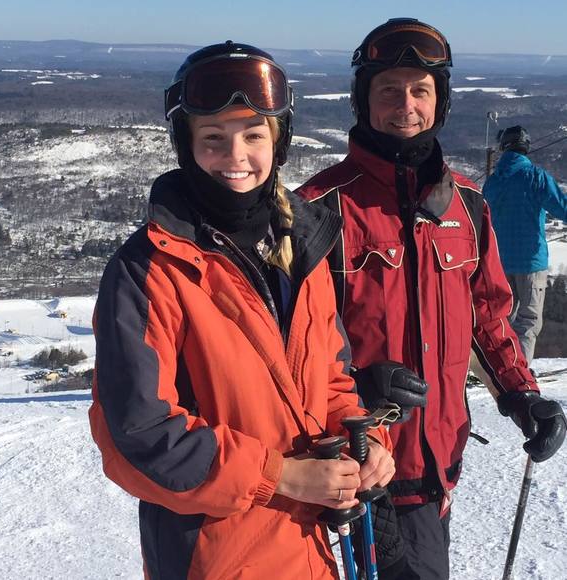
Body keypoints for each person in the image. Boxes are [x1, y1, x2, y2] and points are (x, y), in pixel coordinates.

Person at [88, 41, 398, 580]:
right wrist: (282, 477)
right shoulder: (150, 270)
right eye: (213, 138)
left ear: (279, 143)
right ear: (186, 146)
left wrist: (366, 441)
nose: (236, 156)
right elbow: (137, 435)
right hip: (216, 557)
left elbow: (331, 380)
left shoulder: (302, 250)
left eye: (254, 136)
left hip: (312, 552)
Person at [297, 18, 567, 579]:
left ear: (439, 101)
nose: (406, 105)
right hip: (355, 469)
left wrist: (521, 394)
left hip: (438, 468)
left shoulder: (466, 205)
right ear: (363, 100)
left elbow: (487, 318)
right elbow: (289, 347)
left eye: (420, 90)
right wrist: (357, 385)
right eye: (388, 90)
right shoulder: (320, 208)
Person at [483, 125, 567, 364]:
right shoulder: (536, 177)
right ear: (526, 147)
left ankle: (500, 369)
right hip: (531, 261)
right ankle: (520, 372)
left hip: (498, 262)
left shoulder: (493, 182)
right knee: (528, 321)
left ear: (503, 147)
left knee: (502, 319)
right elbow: (562, 207)